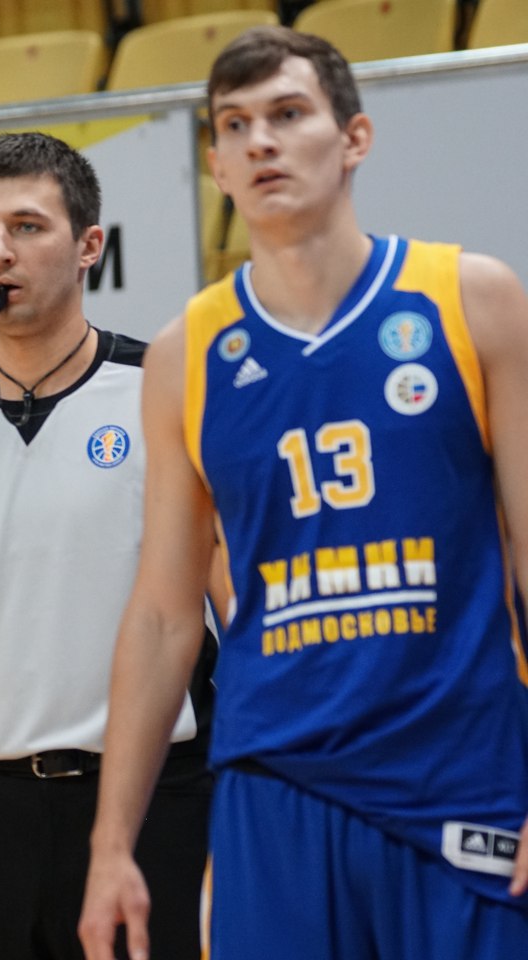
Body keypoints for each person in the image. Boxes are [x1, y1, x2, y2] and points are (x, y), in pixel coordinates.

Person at [79, 25, 528, 960]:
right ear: (215, 165)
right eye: (235, 125)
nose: (261, 142)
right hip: (275, 784)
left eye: (288, 114)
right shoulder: (185, 355)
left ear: (354, 137)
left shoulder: (473, 299)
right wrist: (111, 845)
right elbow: (163, 614)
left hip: (460, 774)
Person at [0, 132, 215, 960]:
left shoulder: (165, 392)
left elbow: (246, 615)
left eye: (27, 226)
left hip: (155, 804)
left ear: (90, 245)